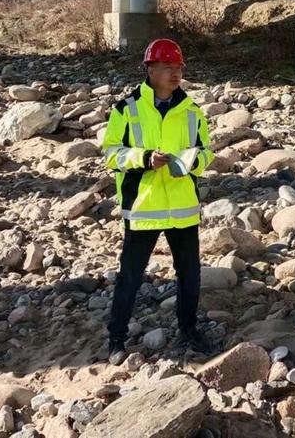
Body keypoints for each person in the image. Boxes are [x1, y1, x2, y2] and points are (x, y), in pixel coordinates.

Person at [102, 38, 215, 364]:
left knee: (190, 275)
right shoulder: (126, 110)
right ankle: (116, 339)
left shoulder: (192, 111)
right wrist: (144, 158)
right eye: (167, 67)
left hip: (183, 208)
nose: (175, 73)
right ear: (150, 70)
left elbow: (207, 151)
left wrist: (193, 162)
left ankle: (189, 331)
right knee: (130, 277)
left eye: (178, 67)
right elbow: (111, 154)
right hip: (144, 209)